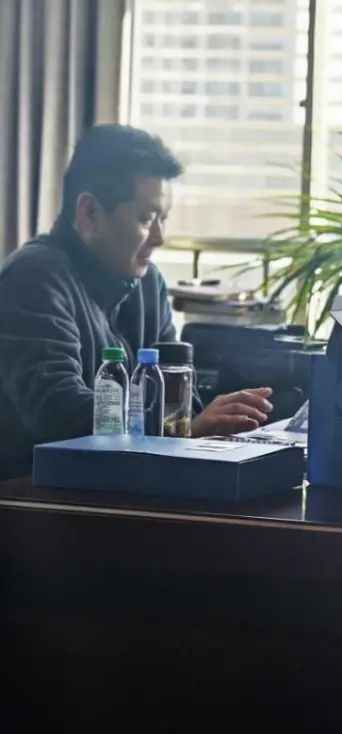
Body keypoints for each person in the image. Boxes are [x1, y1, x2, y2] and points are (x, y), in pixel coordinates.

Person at [0, 125, 274, 479]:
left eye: (163, 219)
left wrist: (216, 422)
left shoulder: (148, 283)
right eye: (147, 219)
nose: (159, 237)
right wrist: (185, 429)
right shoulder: (33, 277)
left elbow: (179, 398)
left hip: (129, 482)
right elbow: (58, 411)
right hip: (38, 497)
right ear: (89, 213)